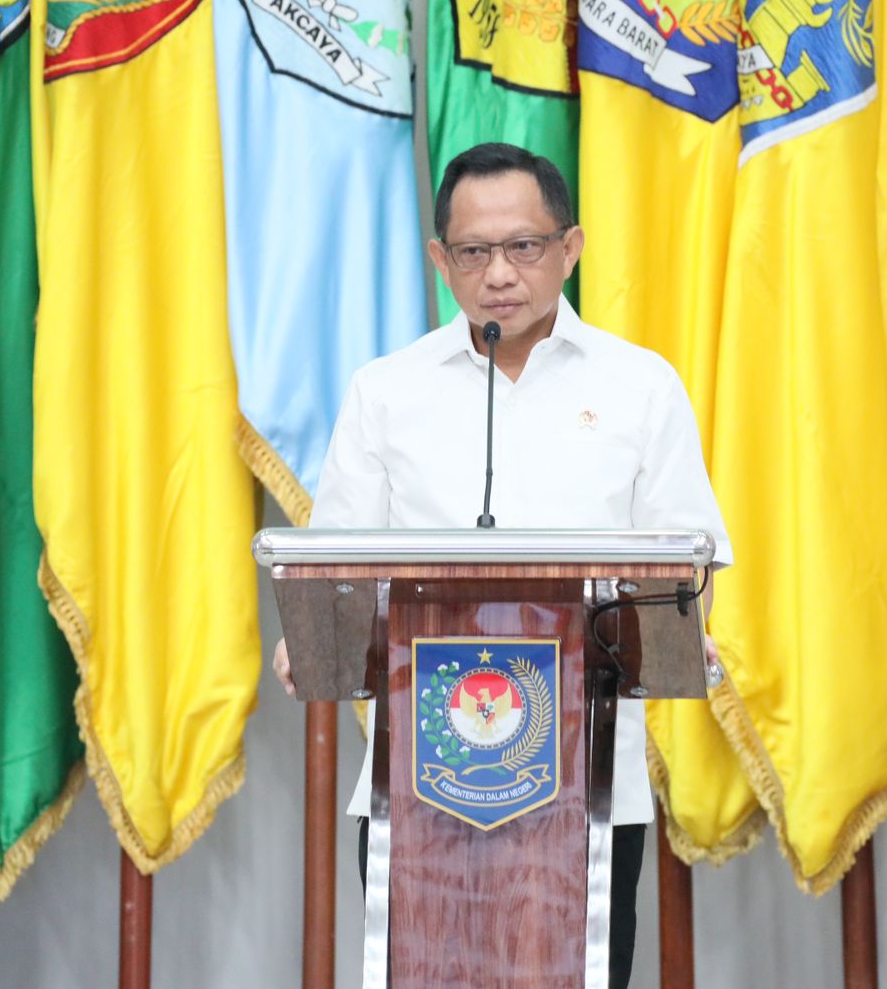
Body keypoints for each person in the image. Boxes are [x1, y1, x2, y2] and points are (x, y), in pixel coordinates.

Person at [271, 142, 731, 987]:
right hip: (419, 791)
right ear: (441, 261)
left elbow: (688, 561)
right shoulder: (387, 392)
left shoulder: (641, 387)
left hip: (590, 791)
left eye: (525, 246)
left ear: (571, 248)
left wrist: (685, 631)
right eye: (475, 252)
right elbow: (334, 569)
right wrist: (319, 632)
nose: (501, 274)